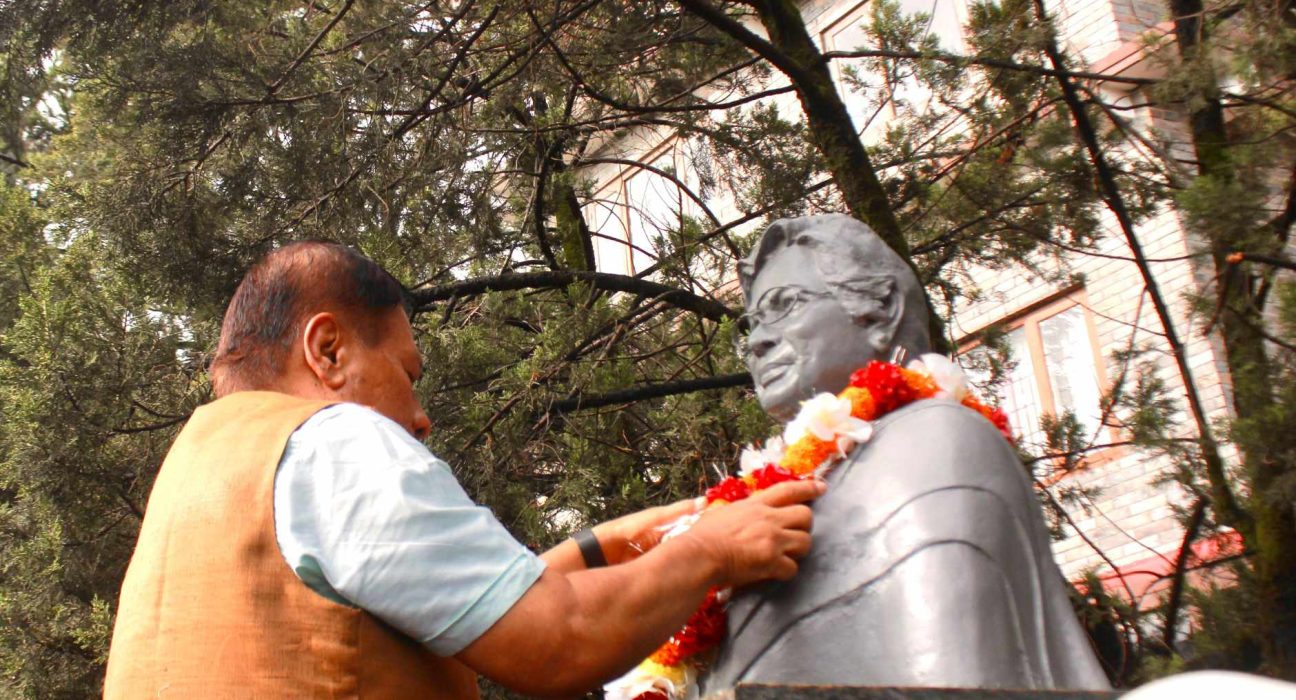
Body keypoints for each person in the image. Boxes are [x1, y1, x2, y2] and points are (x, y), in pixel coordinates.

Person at [104, 241, 824, 698]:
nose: (421, 417)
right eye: (407, 372)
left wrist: (609, 544)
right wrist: (713, 549)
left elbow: (461, 610)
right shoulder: (333, 440)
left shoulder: (203, 475)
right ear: (328, 352)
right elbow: (560, 641)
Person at [702, 214, 1110, 691]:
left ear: (882, 310)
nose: (757, 341)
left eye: (785, 305)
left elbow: (955, 681)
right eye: (752, 324)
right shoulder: (797, 480)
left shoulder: (934, 441)